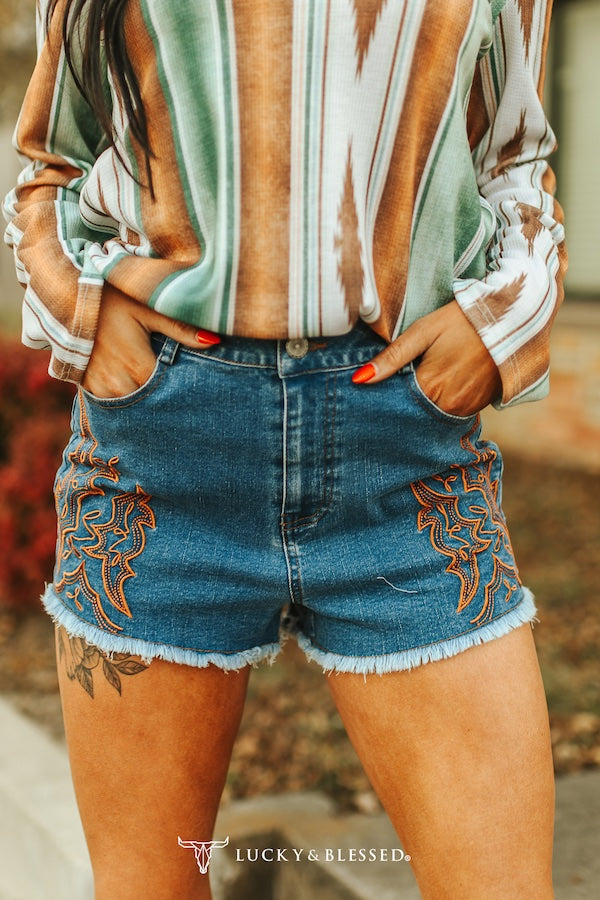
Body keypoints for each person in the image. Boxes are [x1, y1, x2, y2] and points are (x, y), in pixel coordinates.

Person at [4, 1, 566, 897]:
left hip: (403, 447)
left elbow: (513, 156)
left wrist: (500, 323)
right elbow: (52, 164)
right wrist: (85, 315)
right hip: (165, 446)